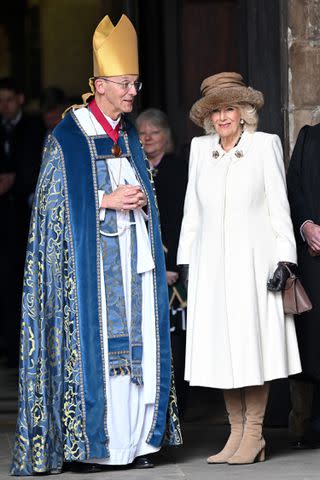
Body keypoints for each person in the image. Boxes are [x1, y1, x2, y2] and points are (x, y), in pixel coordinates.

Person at [10, 14, 181, 476]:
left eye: (136, 84)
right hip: (87, 274)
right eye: (125, 84)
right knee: (100, 350)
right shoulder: (68, 136)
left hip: (133, 265)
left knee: (140, 347)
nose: (132, 93)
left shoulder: (127, 134)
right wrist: (106, 199)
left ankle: (139, 441)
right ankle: (96, 447)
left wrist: (142, 201)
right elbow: (48, 211)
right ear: (100, 84)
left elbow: (143, 192)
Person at [177, 72, 302, 465]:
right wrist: (186, 264)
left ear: (244, 111)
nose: (222, 117)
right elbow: (191, 213)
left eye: (229, 108)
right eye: (215, 111)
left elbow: (279, 207)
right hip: (211, 265)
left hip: (255, 263)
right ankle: (235, 432)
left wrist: (286, 259)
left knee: (252, 347)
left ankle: (254, 433)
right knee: (220, 350)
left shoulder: (265, 146)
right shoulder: (199, 149)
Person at [136, 108, 188, 414]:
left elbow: (182, 219)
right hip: (144, 264)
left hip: (173, 267)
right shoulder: (135, 167)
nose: (147, 138)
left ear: (165, 137)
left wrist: (172, 266)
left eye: (153, 133)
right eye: (142, 133)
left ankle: (179, 401)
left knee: (176, 337)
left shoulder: (177, 168)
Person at [0, 77, 44, 367]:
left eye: (8, 100)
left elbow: (31, 171)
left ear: (20, 99)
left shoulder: (33, 127)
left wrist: (15, 181)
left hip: (25, 218)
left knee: (23, 281)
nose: (4, 106)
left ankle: (24, 349)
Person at [287, 123, 320, 448]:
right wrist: (306, 226)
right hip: (313, 257)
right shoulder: (310, 135)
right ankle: (312, 423)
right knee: (313, 341)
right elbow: (293, 188)